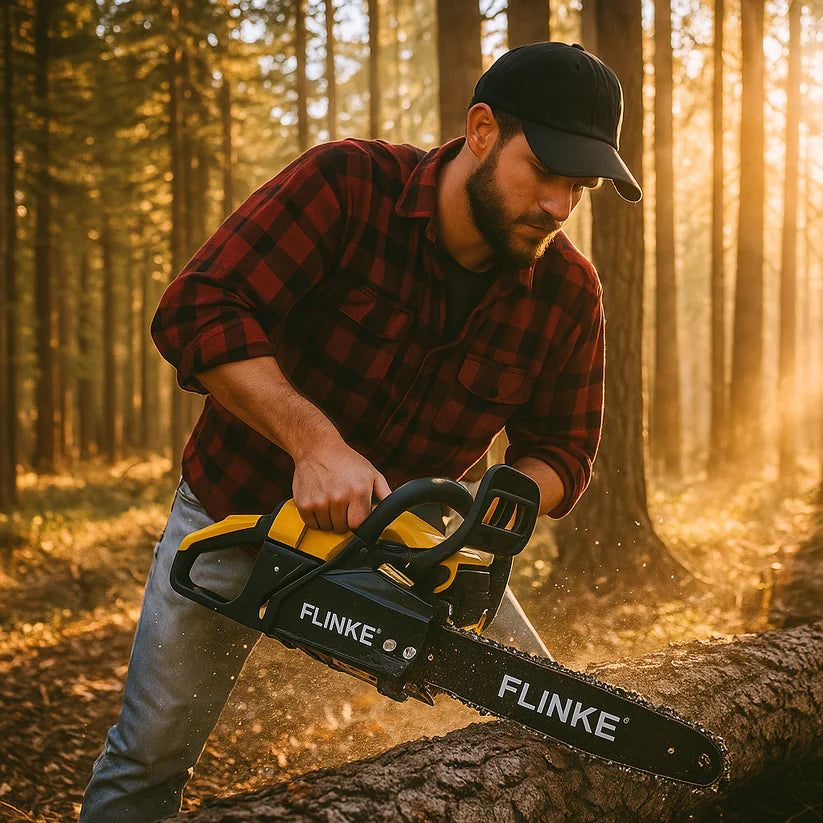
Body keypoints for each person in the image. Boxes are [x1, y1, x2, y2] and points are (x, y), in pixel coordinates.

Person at [79, 41, 641, 821]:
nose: (556, 205)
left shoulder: (566, 291)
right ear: (481, 130)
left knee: (553, 734)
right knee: (146, 760)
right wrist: (314, 442)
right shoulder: (348, 187)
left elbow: (563, 449)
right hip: (236, 517)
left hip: (411, 549)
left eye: (576, 188)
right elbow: (197, 307)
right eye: (544, 173)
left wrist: (494, 514)